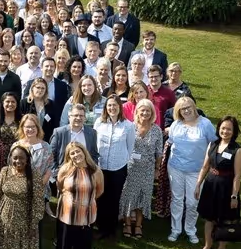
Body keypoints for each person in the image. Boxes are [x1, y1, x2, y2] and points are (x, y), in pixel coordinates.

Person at [52, 142, 104, 249]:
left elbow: (100, 190)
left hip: (86, 216)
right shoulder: (65, 169)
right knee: (63, 247)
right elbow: (60, 187)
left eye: (78, 151)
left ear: (84, 152)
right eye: (72, 153)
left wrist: (85, 201)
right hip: (66, 216)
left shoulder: (95, 171)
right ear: (68, 156)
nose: (76, 155)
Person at [166, 97, 217, 245]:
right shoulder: (176, 124)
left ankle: (190, 230)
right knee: (176, 200)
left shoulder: (205, 124)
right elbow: (170, 143)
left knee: (192, 202)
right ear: (178, 111)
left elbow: (214, 144)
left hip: (196, 170)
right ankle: (175, 229)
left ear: (194, 107)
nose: (186, 111)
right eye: (182, 109)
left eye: (188, 107)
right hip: (175, 167)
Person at [196, 116, 241, 249]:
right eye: (223, 128)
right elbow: (205, 166)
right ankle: (208, 245)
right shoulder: (213, 144)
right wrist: (198, 184)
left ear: (234, 131)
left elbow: (237, 175)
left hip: (226, 189)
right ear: (218, 129)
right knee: (209, 218)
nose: (225, 131)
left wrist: (234, 196)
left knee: (225, 220)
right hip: (211, 186)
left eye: (229, 129)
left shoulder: (237, 150)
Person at [119, 99, 164, 239]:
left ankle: (138, 225)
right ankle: (127, 224)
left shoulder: (156, 130)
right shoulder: (130, 127)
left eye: (148, 110)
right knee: (128, 196)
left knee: (143, 196)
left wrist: (157, 169)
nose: (145, 113)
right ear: (137, 111)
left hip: (147, 169)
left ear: (152, 113)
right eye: (142, 110)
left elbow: (159, 152)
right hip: (130, 168)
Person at [94, 95, 135, 239]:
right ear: (106, 108)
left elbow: (130, 148)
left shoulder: (128, 126)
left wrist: (123, 161)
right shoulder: (99, 123)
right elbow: (95, 143)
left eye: (115, 105)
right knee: (101, 197)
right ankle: (100, 227)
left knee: (114, 199)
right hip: (101, 167)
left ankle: (111, 229)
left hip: (118, 168)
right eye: (109, 105)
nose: (112, 108)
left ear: (120, 107)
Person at [50, 104, 100, 171]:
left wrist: (91, 171)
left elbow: (94, 155)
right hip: (65, 173)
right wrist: (57, 172)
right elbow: (51, 155)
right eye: (76, 115)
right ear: (69, 117)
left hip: (85, 173)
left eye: (81, 116)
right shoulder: (59, 133)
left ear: (85, 118)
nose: (78, 118)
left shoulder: (92, 133)